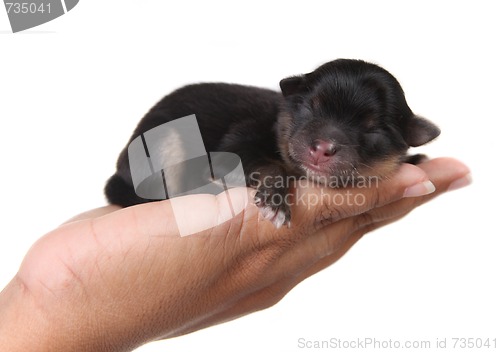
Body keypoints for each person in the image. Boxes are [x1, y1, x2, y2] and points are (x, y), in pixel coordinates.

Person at [0, 158, 470, 351]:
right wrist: (53, 311)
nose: (325, 150)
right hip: (154, 174)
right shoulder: (261, 144)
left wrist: (42, 310)